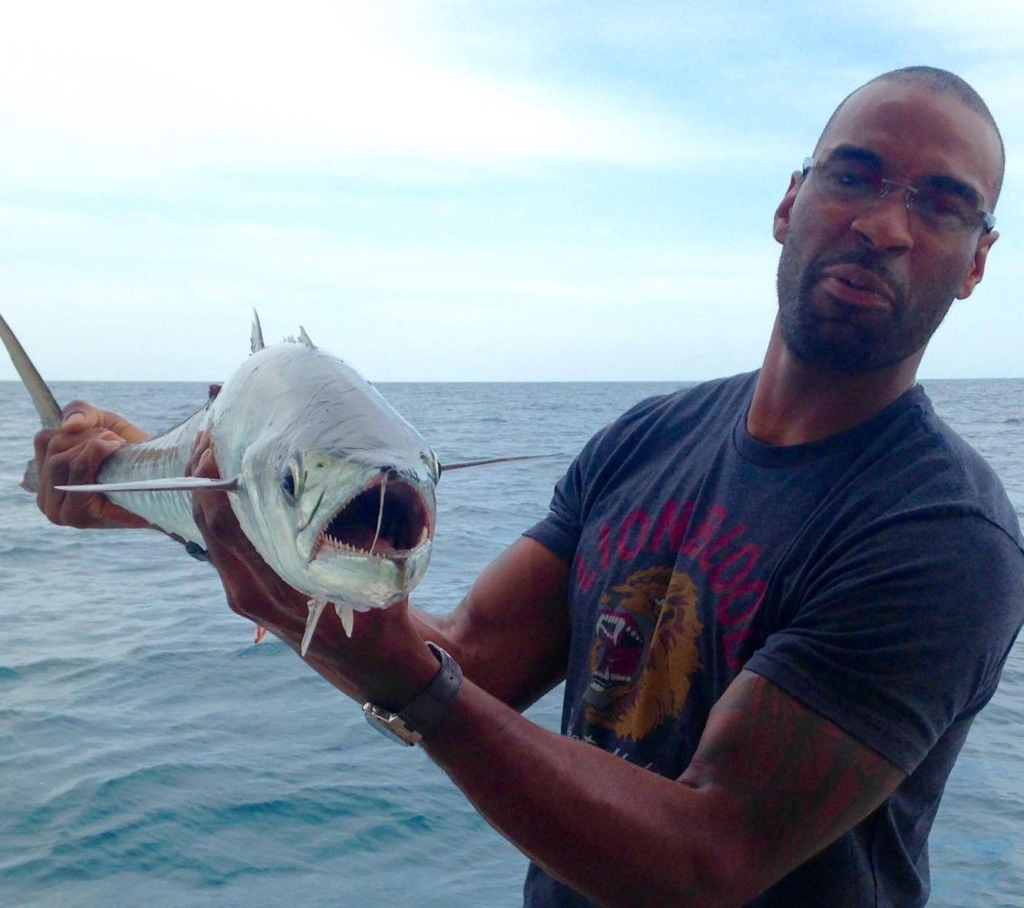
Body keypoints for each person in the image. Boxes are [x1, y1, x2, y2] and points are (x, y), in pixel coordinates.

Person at [34, 66, 1024, 907]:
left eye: (941, 203)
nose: (886, 224)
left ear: (977, 262)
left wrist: (413, 686)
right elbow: (472, 659)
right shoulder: (646, 438)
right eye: (856, 174)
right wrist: (177, 505)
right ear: (787, 202)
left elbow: (709, 858)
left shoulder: (943, 535)